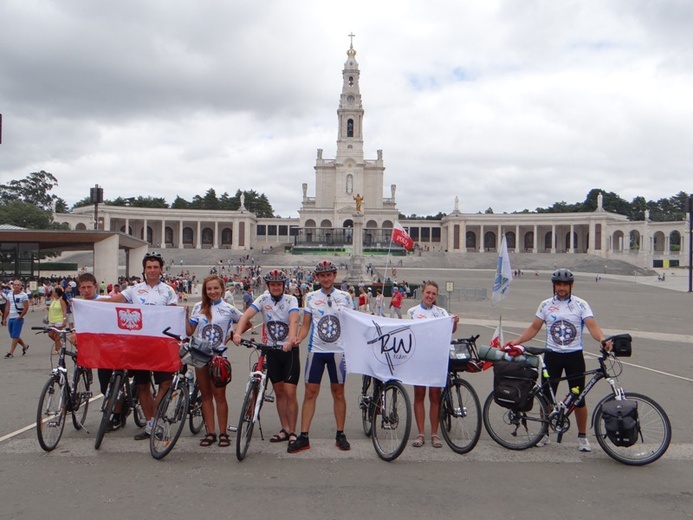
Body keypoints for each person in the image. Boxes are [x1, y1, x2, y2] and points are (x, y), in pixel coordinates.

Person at [504, 268, 611, 452]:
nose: (562, 288)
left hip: (574, 356)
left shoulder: (581, 305)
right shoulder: (545, 305)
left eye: (565, 285)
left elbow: (593, 327)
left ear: (571, 285)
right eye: (558, 285)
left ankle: (582, 436)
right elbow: (534, 327)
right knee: (546, 397)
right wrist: (518, 341)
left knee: (579, 399)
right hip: (552, 355)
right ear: (554, 286)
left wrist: (603, 339)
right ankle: (544, 433)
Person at [100, 252, 178, 440]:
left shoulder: (168, 291)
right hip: (139, 344)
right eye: (149, 267)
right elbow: (111, 302)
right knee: (142, 385)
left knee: (166, 383)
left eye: (155, 267)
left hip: (161, 343)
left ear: (161, 269)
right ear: (144, 270)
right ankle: (151, 424)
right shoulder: (133, 290)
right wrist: (85, 303)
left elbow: (174, 314)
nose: (152, 270)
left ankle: (157, 414)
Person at [289, 260, 353, 453]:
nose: (325, 279)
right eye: (322, 275)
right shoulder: (310, 297)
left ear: (334, 276)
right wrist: (298, 338)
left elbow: (352, 323)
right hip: (316, 351)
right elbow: (306, 324)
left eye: (329, 275)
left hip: (338, 351)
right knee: (310, 393)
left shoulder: (345, 297)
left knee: (338, 392)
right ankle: (304, 435)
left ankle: (340, 434)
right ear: (317, 277)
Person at [233, 269, 300, 445]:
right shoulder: (263, 299)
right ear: (268, 286)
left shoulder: (291, 300)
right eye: (273, 284)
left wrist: (291, 339)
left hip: (288, 350)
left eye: (279, 284)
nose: (276, 287)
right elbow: (247, 315)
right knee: (279, 391)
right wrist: (238, 334)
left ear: (283, 286)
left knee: (290, 392)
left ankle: (293, 431)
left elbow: (293, 320)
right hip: (272, 350)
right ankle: (284, 428)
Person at [187, 275, 244, 447]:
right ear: (205, 291)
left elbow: (245, 321)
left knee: (220, 396)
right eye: (209, 289)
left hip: (219, 356)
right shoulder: (198, 307)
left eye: (215, 288)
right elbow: (190, 331)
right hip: (200, 356)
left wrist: (233, 336)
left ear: (222, 289)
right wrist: (182, 315)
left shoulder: (228, 308)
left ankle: (223, 432)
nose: (212, 292)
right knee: (205, 395)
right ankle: (210, 432)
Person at [406, 281, 459, 449]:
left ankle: (434, 434)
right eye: (428, 292)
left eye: (433, 294)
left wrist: (455, 322)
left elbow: (450, 331)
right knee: (419, 395)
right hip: (419, 358)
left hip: (436, 359)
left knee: (435, 397)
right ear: (422, 293)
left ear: (436, 296)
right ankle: (421, 433)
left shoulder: (441, 312)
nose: (430, 296)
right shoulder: (412, 312)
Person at [3, 280, 30, 358]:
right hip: (11, 317)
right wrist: (4, 318)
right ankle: (24, 345)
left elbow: (26, 307)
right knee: (13, 335)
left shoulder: (24, 295)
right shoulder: (10, 295)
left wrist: (21, 316)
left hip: (18, 317)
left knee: (15, 335)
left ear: (21, 286)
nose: (16, 286)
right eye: (15, 285)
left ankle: (11, 352)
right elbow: (7, 306)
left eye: (18, 285)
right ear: (12, 286)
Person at [47, 286, 68, 353]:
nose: (52, 293)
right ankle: (59, 343)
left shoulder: (61, 301)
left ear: (56, 293)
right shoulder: (53, 300)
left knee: (56, 335)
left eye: (54, 292)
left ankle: (57, 349)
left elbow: (64, 310)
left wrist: (64, 320)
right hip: (52, 319)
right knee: (50, 334)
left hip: (59, 320)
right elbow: (52, 308)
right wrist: (48, 308)